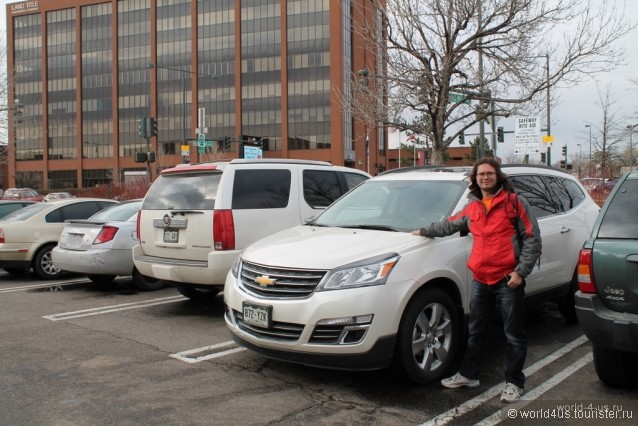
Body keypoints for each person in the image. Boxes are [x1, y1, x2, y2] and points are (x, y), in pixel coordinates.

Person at [412, 158, 541, 403]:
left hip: (507, 279)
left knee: (513, 334)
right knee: (476, 332)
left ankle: (514, 383)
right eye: (481, 174)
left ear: (498, 176)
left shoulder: (514, 203)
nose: (485, 177)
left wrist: (520, 272)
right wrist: (422, 231)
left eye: (489, 173)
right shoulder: (472, 206)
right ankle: (468, 375)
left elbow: (533, 238)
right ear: (475, 178)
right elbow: (449, 225)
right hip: (481, 279)